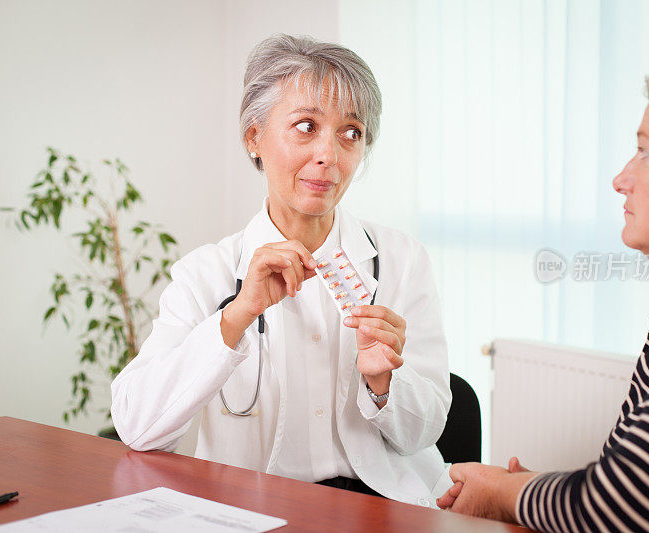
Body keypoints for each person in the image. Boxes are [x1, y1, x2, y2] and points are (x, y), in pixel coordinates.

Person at [110, 34, 452, 506]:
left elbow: (425, 431)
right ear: (254, 137)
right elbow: (137, 426)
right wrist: (235, 317)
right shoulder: (204, 274)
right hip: (255, 508)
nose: (328, 155)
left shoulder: (402, 260)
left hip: (379, 507)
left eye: (350, 132)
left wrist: (384, 383)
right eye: (306, 126)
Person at [438, 48, 649, 531]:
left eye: (646, 152)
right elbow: (629, 480)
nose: (620, 179)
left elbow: (624, 508)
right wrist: (541, 491)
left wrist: (507, 493)